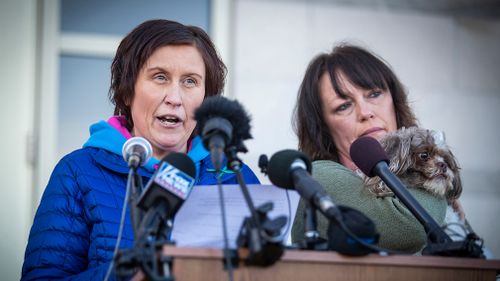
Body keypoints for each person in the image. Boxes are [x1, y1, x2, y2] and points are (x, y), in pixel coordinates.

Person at [21, 19, 259, 280]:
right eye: (160, 77)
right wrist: (128, 274)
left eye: (190, 81)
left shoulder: (236, 177)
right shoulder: (78, 172)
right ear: (126, 92)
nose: (175, 98)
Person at [291, 44, 448, 253]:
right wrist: (440, 175)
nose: (365, 112)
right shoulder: (317, 177)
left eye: (374, 94)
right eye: (343, 106)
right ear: (323, 129)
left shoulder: (418, 170)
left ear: (394, 99)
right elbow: (412, 227)